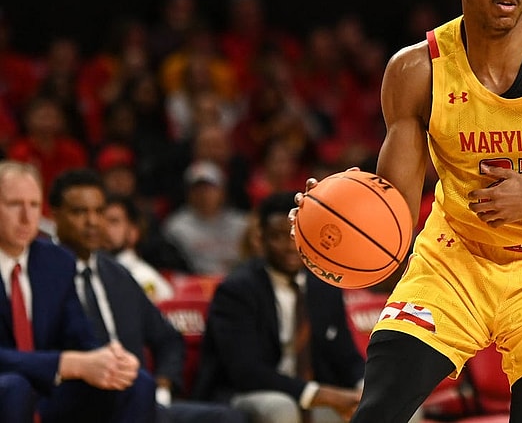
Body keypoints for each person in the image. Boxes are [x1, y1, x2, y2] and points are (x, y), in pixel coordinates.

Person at [291, 0, 522, 422]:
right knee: (379, 409)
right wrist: (333, 220)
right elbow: (394, 207)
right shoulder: (417, 69)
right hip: (455, 259)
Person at [49, 168, 245, 423]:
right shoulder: (44, 273)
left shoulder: (118, 274)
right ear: (55, 216)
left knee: (225, 418)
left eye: (100, 212)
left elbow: (168, 339)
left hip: (138, 400)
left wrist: (162, 388)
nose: (92, 222)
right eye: (79, 212)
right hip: (80, 401)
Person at [0, 160, 156, 423]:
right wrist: (66, 364)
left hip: (48, 390)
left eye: (34, 205)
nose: (27, 217)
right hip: (9, 388)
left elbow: (80, 336)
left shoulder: (57, 262)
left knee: (135, 382)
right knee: (15, 387)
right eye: (15, 205)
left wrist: (109, 359)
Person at [193, 191, 365, 423]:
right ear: (260, 239)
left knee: (395, 403)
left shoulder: (324, 285)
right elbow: (246, 371)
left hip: (315, 394)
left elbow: (346, 356)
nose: (290, 247)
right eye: (278, 237)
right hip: (245, 393)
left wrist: (366, 386)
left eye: (296, 235)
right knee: (282, 409)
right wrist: (317, 394)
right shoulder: (236, 290)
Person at [103, 194, 175, 302]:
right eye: (101, 220)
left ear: (133, 232)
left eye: (114, 221)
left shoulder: (142, 278)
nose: (104, 228)